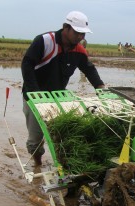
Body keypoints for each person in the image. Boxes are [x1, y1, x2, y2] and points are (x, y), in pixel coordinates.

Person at [21, 11, 105, 166]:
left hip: (57, 97)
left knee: (62, 133)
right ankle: (37, 164)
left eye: (83, 34)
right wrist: (34, 92)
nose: (81, 37)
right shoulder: (45, 41)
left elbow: (89, 69)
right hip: (34, 97)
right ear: (66, 28)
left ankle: (62, 166)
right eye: (78, 33)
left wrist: (100, 87)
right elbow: (27, 65)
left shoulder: (78, 50)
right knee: (35, 139)